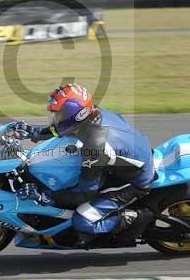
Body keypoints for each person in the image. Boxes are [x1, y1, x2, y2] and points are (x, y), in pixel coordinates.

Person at [13, 83, 155, 246]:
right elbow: (64, 128)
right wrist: (36, 132)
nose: (55, 118)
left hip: (134, 181)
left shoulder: (94, 146)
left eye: (59, 114)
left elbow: (84, 193)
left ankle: (131, 217)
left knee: (83, 220)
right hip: (129, 157)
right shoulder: (93, 113)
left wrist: (43, 196)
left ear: (78, 115)